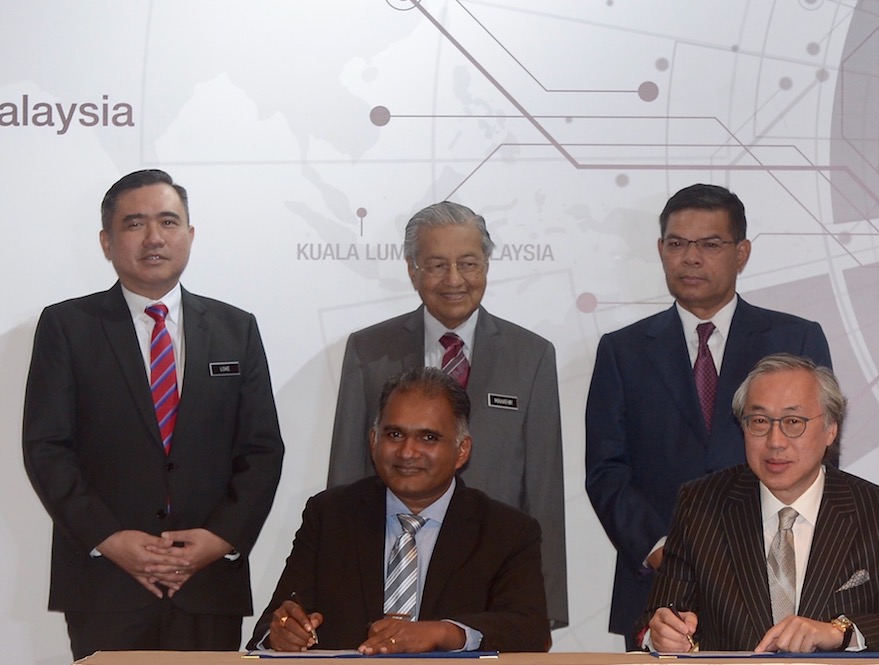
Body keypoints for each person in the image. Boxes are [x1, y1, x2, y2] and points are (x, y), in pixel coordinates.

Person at [22, 169, 285, 660]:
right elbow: (46, 448)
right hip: (106, 585)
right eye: (135, 223)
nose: (154, 237)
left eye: (168, 221)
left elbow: (263, 449)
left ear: (190, 234)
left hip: (208, 586)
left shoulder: (236, 329)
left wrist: (219, 539)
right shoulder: (67, 326)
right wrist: (110, 539)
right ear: (106, 241)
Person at [585, 183, 833, 640]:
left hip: (776, 582)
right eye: (677, 244)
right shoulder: (622, 351)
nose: (690, 258)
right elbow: (606, 472)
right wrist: (663, 551)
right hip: (660, 595)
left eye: (710, 244)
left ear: (742, 253)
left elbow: (817, 457)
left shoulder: (795, 340)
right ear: (661, 250)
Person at [327, 201, 567, 628]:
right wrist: (335, 590)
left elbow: (544, 494)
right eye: (436, 265)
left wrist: (541, 608)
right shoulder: (368, 351)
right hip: (390, 579)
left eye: (468, 263)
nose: (454, 280)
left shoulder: (531, 356)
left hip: (492, 585)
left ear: (487, 266)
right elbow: (345, 480)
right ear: (412, 269)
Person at [642, 353, 879, 654]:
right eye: (760, 421)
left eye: (793, 421)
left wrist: (839, 631)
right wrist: (663, 637)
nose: (776, 441)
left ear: (831, 429)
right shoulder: (700, 506)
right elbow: (657, 621)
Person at [250, 367, 550, 653]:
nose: (407, 452)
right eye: (394, 434)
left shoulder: (507, 530)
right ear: (373, 440)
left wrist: (443, 633)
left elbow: (530, 631)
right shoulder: (330, 515)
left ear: (462, 450)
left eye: (428, 437)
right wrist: (280, 634)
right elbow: (275, 622)